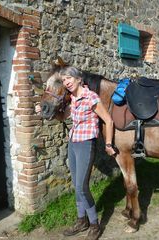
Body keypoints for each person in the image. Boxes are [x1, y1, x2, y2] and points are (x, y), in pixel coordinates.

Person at [58, 66, 116, 240]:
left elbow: (108, 120)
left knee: (82, 186)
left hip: (85, 144)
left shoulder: (91, 97)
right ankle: (81, 220)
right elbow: (63, 117)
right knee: (77, 184)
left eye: (68, 78)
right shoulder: (72, 98)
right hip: (73, 143)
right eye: (63, 80)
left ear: (78, 79)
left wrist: (108, 143)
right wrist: (45, 111)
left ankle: (94, 225)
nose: (66, 83)